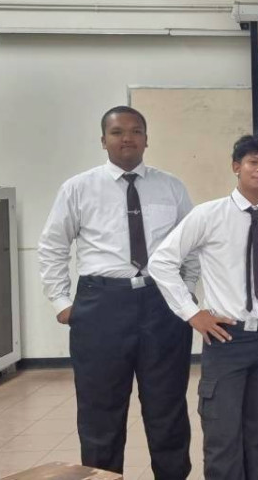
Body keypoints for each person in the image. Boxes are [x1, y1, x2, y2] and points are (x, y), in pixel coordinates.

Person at [38, 106, 196, 479]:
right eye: (117, 132)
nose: (127, 138)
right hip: (101, 305)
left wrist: (185, 294)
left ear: (146, 139)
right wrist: (61, 302)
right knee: (100, 410)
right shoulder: (78, 188)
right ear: (103, 140)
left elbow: (191, 246)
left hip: (162, 304)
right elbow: (53, 246)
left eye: (136, 131)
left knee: (167, 406)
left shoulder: (171, 186)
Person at [149, 134, 258, 480]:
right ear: (236, 166)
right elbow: (162, 262)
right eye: (254, 162)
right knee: (222, 434)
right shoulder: (208, 215)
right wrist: (192, 313)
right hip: (226, 339)